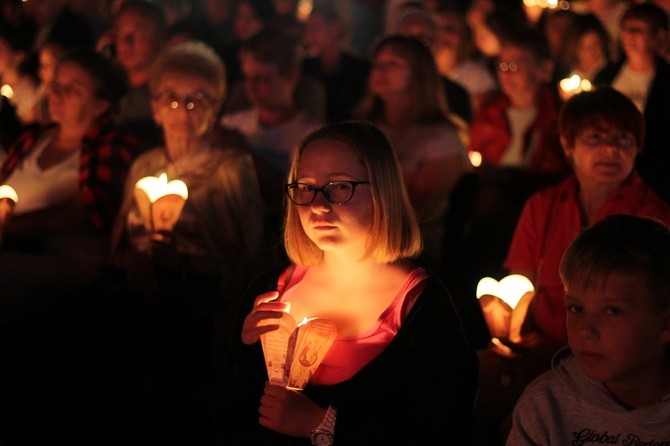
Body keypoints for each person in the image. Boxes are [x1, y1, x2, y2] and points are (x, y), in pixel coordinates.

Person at [218, 120, 479, 445]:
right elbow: (229, 413)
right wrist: (246, 353)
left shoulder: (420, 307)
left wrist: (322, 423)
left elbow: (443, 427)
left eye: (340, 187)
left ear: (382, 191)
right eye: (306, 187)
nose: (318, 205)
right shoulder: (270, 290)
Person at [475, 87, 670, 444]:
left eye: (623, 139)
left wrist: (563, 351)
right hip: (532, 353)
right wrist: (515, 338)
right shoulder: (543, 205)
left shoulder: (654, 220)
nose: (611, 150)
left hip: (617, 366)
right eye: (595, 137)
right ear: (568, 145)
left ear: (638, 147)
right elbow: (520, 283)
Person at [111, 41, 264, 342]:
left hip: (201, 309)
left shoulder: (231, 169)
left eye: (197, 99)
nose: (182, 110)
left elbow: (253, 256)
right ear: (155, 109)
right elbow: (117, 243)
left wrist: (182, 264)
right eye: (171, 99)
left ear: (215, 109)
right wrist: (133, 260)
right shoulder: (144, 166)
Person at [507, 214, 670, 445]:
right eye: (576, 308)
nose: (586, 330)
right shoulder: (546, 405)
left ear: (665, 324)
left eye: (612, 310)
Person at [0, 50, 135, 313]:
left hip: (65, 264)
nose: (57, 95)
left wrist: (6, 227)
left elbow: (75, 215)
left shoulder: (108, 146)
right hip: (13, 247)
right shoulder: (33, 139)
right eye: (56, 86)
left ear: (100, 105)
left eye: (72, 89)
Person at [357, 34, 470, 271]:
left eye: (393, 64)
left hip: (412, 250)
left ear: (419, 74)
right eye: (378, 64)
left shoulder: (441, 138)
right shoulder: (362, 128)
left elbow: (421, 207)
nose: (380, 71)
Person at [594, 3, 670, 204]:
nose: (629, 35)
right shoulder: (605, 77)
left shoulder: (666, 82)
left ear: (659, 36)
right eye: (626, 29)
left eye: (637, 30)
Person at [468, 27, 567, 175]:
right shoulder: (488, 116)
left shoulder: (560, 119)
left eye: (515, 65)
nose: (506, 73)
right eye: (502, 65)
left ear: (544, 69)